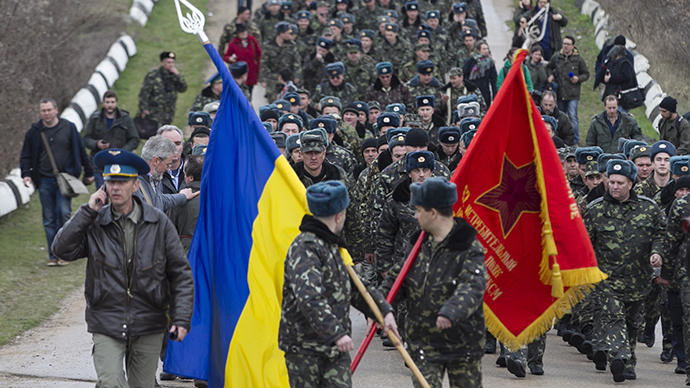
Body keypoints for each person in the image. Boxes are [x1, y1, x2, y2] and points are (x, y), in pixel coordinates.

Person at [51, 149, 194, 388]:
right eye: (110, 182)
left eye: (122, 182)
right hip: (107, 321)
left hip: (148, 321)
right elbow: (62, 250)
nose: (115, 188)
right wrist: (87, 212)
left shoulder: (158, 223)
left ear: (136, 185)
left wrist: (180, 318)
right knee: (110, 383)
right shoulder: (95, 221)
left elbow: (180, 274)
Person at [279, 180, 397, 388]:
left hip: (334, 349)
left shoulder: (331, 246)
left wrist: (383, 311)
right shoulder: (305, 248)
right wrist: (336, 332)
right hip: (306, 349)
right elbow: (310, 297)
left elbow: (355, 287)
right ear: (339, 215)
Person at [379, 176, 486, 388]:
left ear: (433, 213)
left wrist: (451, 311)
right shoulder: (418, 243)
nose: (416, 216)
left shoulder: (468, 245)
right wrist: (382, 307)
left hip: (462, 343)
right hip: (423, 342)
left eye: (419, 211)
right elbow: (396, 279)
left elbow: (473, 286)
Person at [583, 159, 664, 382]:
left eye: (620, 182)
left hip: (638, 279)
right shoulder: (595, 209)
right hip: (607, 279)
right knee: (614, 317)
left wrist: (657, 253)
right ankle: (618, 356)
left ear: (631, 183)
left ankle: (628, 363)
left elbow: (661, 232)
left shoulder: (648, 208)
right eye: (612, 182)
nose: (615, 186)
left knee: (631, 322)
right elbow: (585, 243)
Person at [20, 98, 95, 266]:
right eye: (43, 111)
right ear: (40, 113)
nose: (46, 113)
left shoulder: (68, 127)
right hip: (44, 180)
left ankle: (65, 252)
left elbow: (80, 151)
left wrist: (88, 172)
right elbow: (25, 155)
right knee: (48, 219)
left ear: (56, 110)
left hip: (65, 179)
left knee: (63, 213)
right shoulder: (34, 132)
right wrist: (26, 174)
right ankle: (53, 255)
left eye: (49, 110)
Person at [83, 91, 140, 189]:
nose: (110, 105)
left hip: (120, 163)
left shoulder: (125, 119)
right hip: (99, 163)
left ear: (116, 103)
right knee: (102, 194)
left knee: (118, 192)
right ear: (103, 103)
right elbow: (86, 139)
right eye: (107, 102)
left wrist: (122, 151)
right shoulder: (95, 119)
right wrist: (97, 144)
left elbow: (135, 139)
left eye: (112, 102)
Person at [135, 135, 199, 212]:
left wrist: (183, 196)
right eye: (168, 164)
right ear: (156, 161)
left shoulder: (154, 178)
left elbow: (159, 201)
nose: (168, 169)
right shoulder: (133, 184)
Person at [546, 36, 589, 144]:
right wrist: (550, 75)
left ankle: (574, 140)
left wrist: (578, 79)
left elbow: (586, 74)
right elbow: (549, 67)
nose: (565, 46)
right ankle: (559, 139)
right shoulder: (557, 56)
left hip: (573, 94)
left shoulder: (578, 59)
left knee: (573, 116)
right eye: (564, 43)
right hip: (560, 93)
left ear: (572, 46)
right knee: (560, 117)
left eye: (568, 44)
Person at [138, 51, 188, 127]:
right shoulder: (153, 75)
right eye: (168, 62)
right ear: (162, 63)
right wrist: (144, 109)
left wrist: (178, 75)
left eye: (172, 62)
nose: (171, 65)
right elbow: (144, 93)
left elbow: (183, 88)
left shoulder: (174, 76)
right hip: (154, 112)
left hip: (168, 112)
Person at [222, 23, 262, 97]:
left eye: (245, 31)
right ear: (237, 34)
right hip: (238, 74)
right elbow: (226, 56)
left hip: (251, 73)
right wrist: (230, 59)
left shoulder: (252, 40)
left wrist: (258, 69)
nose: (244, 33)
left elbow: (259, 54)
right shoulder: (233, 44)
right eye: (241, 32)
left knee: (249, 93)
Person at [462, 41, 497, 107]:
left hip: (485, 92)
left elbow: (494, 80)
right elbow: (463, 75)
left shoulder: (490, 63)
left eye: (487, 48)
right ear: (478, 50)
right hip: (472, 92)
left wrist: (495, 95)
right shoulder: (471, 61)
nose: (486, 51)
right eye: (484, 49)